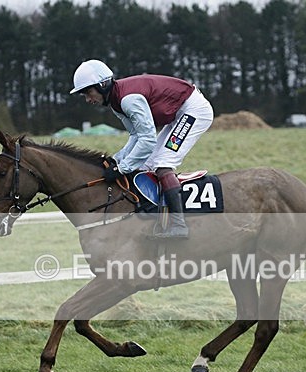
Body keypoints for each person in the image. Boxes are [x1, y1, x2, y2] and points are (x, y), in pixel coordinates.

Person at [70, 59, 214, 239]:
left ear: (103, 84)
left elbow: (147, 140)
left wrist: (122, 168)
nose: (88, 99)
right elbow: (136, 136)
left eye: (88, 92)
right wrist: (117, 159)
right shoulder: (116, 102)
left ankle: (179, 225)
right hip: (178, 113)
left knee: (163, 163)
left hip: (193, 110)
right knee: (146, 164)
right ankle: (156, 216)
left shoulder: (128, 100)